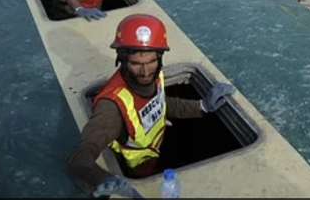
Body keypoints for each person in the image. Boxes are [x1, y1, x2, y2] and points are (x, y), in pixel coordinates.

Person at [67, 14, 235, 196]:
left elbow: (160, 103)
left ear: (160, 57)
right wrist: (104, 179)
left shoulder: (155, 75)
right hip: (141, 168)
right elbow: (80, 160)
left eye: (151, 62)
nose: (145, 72)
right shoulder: (112, 105)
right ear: (122, 60)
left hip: (157, 147)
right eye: (136, 64)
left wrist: (202, 106)